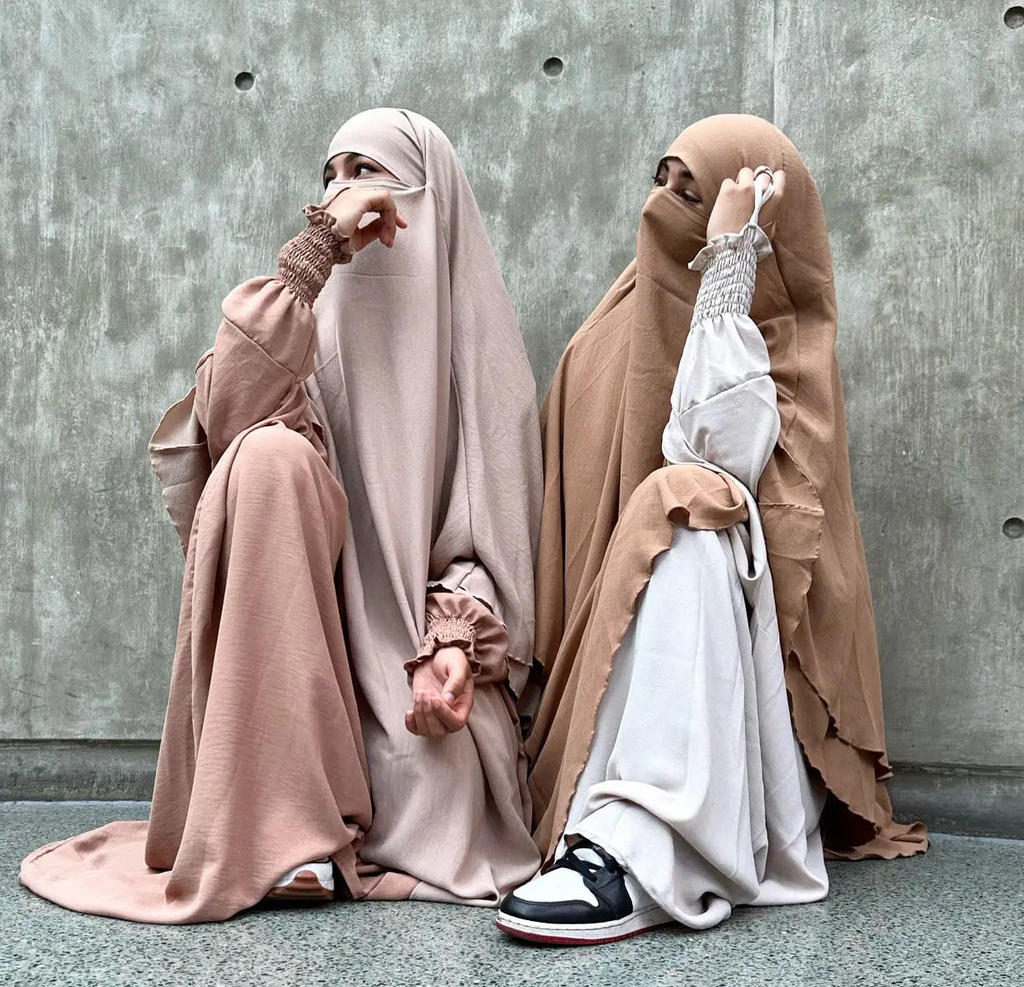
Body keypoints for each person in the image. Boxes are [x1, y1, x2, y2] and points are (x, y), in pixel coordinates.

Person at [20, 108, 543, 923]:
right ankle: (286, 823)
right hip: (299, 675)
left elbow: (491, 539)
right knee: (266, 458)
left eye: (369, 175)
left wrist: (451, 649)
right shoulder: (306, 325)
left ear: (427, 204)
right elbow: (226, 419)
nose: (344, 195)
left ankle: (320, 820)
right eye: (330, 178)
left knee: (429, 777)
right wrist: (310, 262)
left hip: (414, 674)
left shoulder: (479, 361)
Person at [497, 114, 928, 946]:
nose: (666, 207)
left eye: (696, 194)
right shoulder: (606, 333)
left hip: (739, 687)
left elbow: (716, 451)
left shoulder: (784, 335)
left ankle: (653, 843)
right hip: (597, 667)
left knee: (693, 502)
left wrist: (730, 268)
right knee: (680, 502)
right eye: (663, 182)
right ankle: (605, 827)